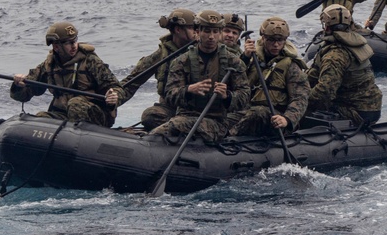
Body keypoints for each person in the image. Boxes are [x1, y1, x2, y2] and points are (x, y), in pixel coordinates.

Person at [149, 10, 250, 143]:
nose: (211, 37)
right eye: (207, 31)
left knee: (175, 126)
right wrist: (188, 90)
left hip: (217, 121)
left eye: (215, 32)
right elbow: (170, 94)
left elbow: (244, 94)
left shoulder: (234, 62)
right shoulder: (182, 61)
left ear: (220, 33)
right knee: (163, 125)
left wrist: (228, 96)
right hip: (185, 116)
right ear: (198, 32)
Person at [10, 21, 125, 126]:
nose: (74, 45)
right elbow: (25, 94)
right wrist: (18, 85)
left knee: (75, 104)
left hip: (95, 114)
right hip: (63, 114)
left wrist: (114, 97)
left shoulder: (90, 61)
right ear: (56, 46)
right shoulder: (49, 65)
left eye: (75, 40)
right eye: (68, 43)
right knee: (41, 118)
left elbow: (116, 88)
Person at [228, 17, 310, 137]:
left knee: (258, 112)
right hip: (249, 111)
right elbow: (235, 81)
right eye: (271, 40)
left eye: (280, 40)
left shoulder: (291, 66)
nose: (276, 44)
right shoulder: (253, 59)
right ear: (263, 38)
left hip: (277, 116)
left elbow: (300, 98)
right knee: (227, 118)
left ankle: (228, 137)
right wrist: (245, 57)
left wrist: (287, 119)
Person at [121, 8, 198, 131]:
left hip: (196, 109)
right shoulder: (161, 55)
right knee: (150, 116)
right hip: (170, 107)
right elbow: (132, 82)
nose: (197, 32)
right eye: (193, 28)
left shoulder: (203, 50)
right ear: (178, 29)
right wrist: (112, 97)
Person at [306, 4, 383, 127]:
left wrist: (298, 103)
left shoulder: (335, 55)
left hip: (355, 111)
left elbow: (324, 93)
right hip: (370, 107)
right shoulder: (355, 43)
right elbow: (313, 75)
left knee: (304, 112)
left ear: (326, 26)